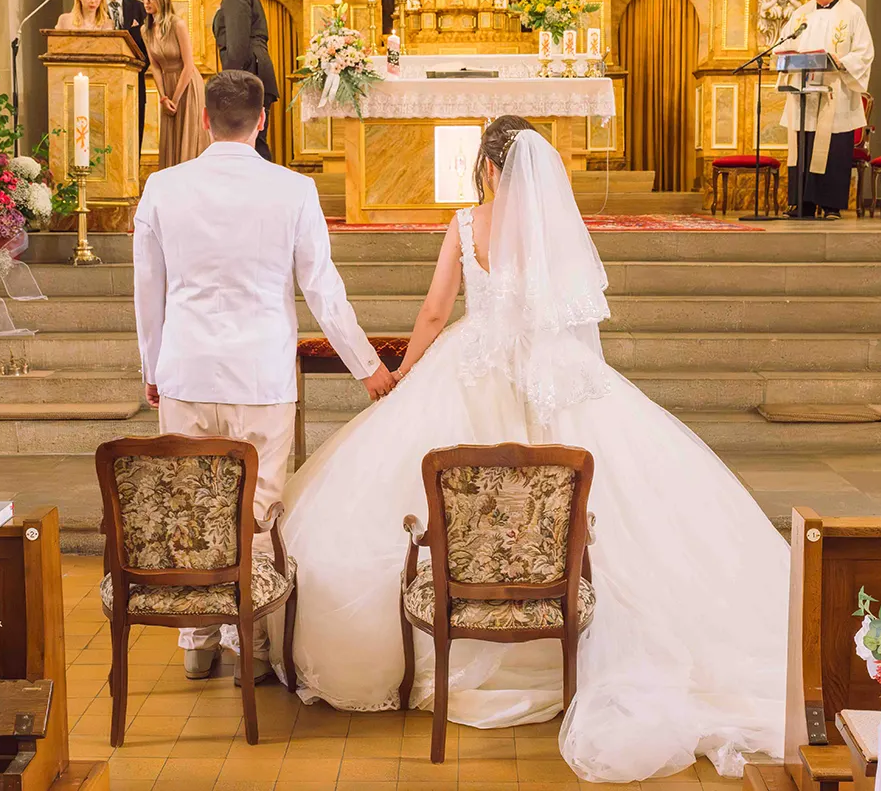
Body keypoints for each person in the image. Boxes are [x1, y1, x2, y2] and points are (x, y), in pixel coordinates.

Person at [273, 117, 791, 782]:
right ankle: (560, 634)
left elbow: (434, 312)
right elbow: (572, 316)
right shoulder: (553, 230)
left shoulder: (467, 225)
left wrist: (403, 378)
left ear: (487, 169)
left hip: (468, 362)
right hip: (552, 374)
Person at [132, 70, 397, 684]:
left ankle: (197, 636)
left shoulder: (163, 186)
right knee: (255, 511)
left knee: (190, 503)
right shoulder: (294, 189)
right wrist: (368, 367)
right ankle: (247, 638)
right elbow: (322, 291)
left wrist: (153, 365)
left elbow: (149, 288)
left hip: (188, 369)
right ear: (263, 122)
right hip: (260, 375)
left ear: (203, 119)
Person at [777, 0, 874, 220]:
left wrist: (841, 62)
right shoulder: (801, 14)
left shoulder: (852, 14)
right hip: (804, 94)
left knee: (832, 151)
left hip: (834, 93)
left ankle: (831, 206)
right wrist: (784, 56)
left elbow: (865, 53)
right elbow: (784, 42)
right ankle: (802, 204)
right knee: (803, 148)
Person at [211, 0, 279, 161]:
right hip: (254, 71)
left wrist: (230, 83)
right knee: (253, 141)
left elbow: (237, 42)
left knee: (250, 144)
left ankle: (267, 190)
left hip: (247, 75)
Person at [141, 0, 207, 168]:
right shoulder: (146, 30)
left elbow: (188, 64)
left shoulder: (178, 25)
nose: (146, 3)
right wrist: (163, 98)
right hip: (167, 88)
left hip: (187, 84)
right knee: (171, 137)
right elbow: (154, 66)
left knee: (189, 137)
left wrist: (176, 99)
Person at [101, 0, 149, 148]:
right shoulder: (91, 6)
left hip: (134, 86)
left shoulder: (140, 9)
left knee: (131, 142)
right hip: (100, 84)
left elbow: (147, 51)